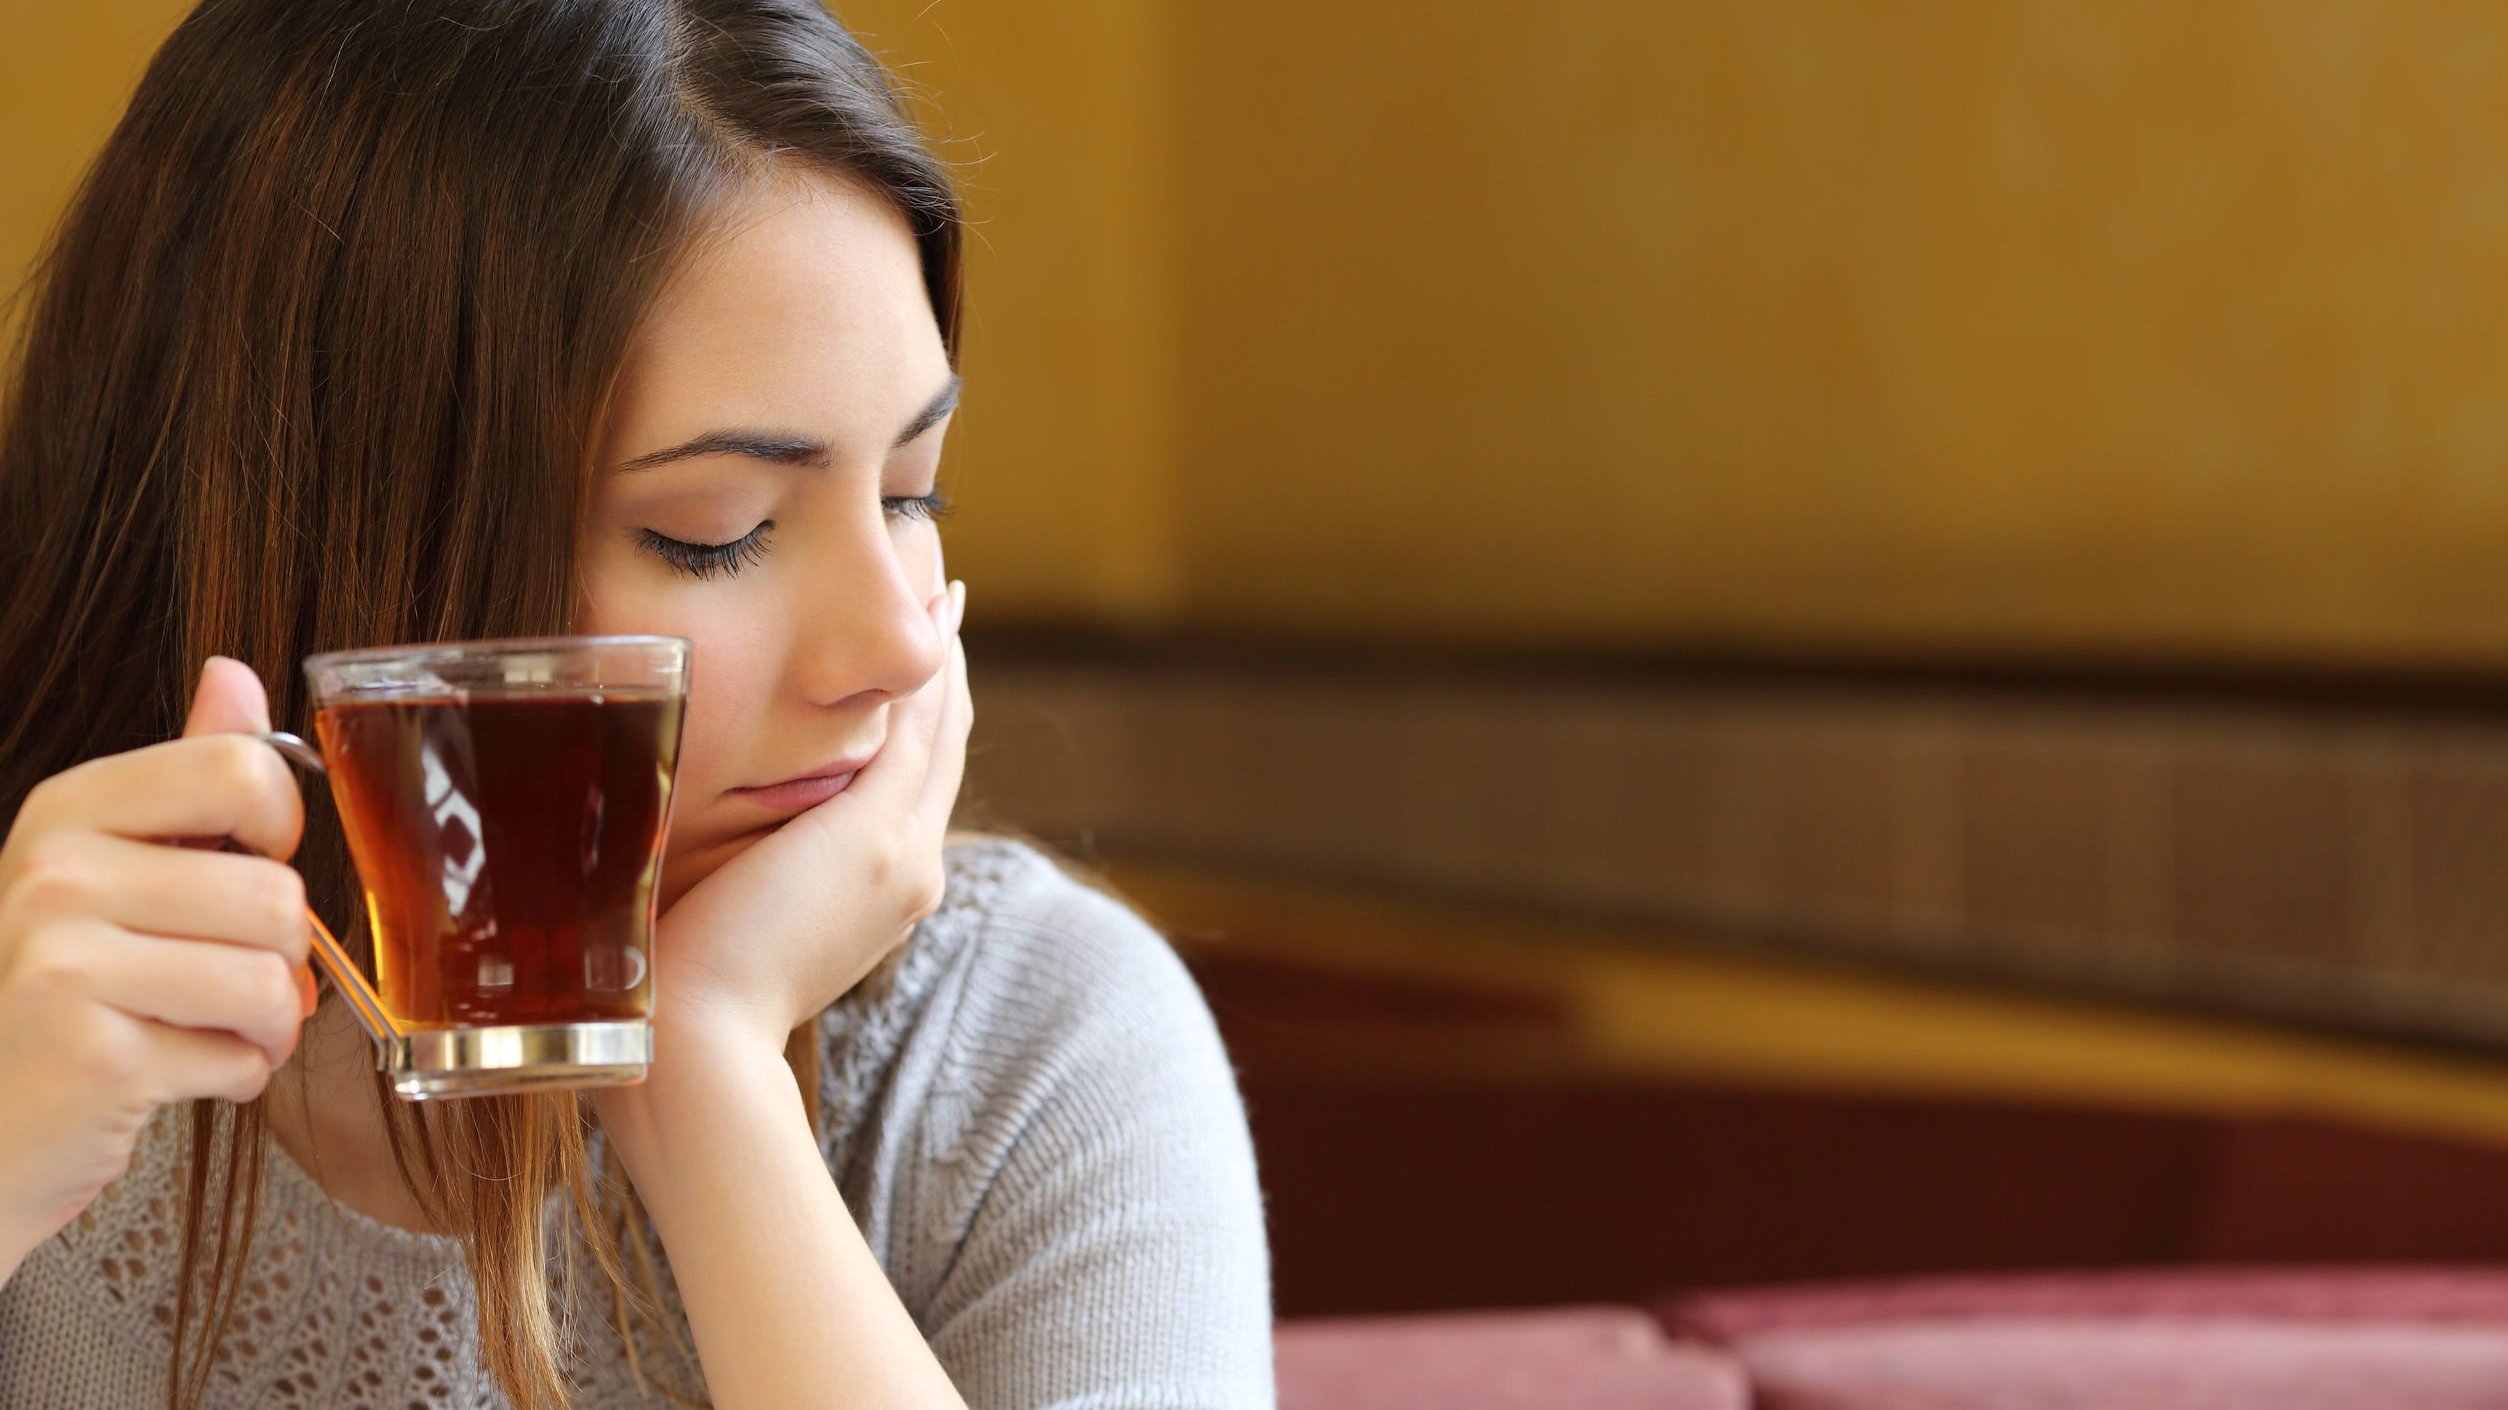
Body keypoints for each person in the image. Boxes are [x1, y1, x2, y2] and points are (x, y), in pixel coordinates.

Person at [0, 2, 1273, 1406]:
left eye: (914, 492)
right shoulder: (47, 1031)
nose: (900, 647)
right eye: (716, 530)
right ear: (352, 530)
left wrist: (706, 1073)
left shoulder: (1034, 1041)